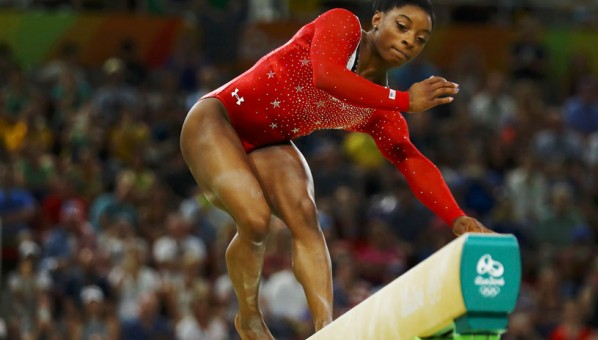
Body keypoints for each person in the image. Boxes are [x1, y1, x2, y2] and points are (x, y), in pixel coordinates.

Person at [180, 0, 493, 338]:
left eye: (420, 39)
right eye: (402, 26)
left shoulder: (380, 110)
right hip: (218, 117)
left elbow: (409, 158)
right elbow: (327, 75)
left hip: (270, 141)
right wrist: (404, 100)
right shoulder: (342, 26)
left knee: (304, 214)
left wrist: (455, 217)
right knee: (255, 220)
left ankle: (326, 330)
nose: (408, 41)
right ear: (376, 20)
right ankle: (249, 316)